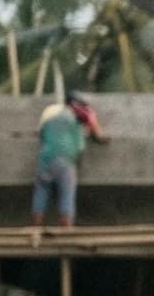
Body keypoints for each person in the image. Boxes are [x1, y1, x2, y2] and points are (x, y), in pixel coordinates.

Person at [29, 91, 107, 229]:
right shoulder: (76, 120)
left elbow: (42, 135)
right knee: (67, 193)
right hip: (65, 161)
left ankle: (36, 226)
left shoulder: (49, 112)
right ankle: (67, 227)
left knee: (42, 190)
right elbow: (80, 148)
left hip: (45, 160)